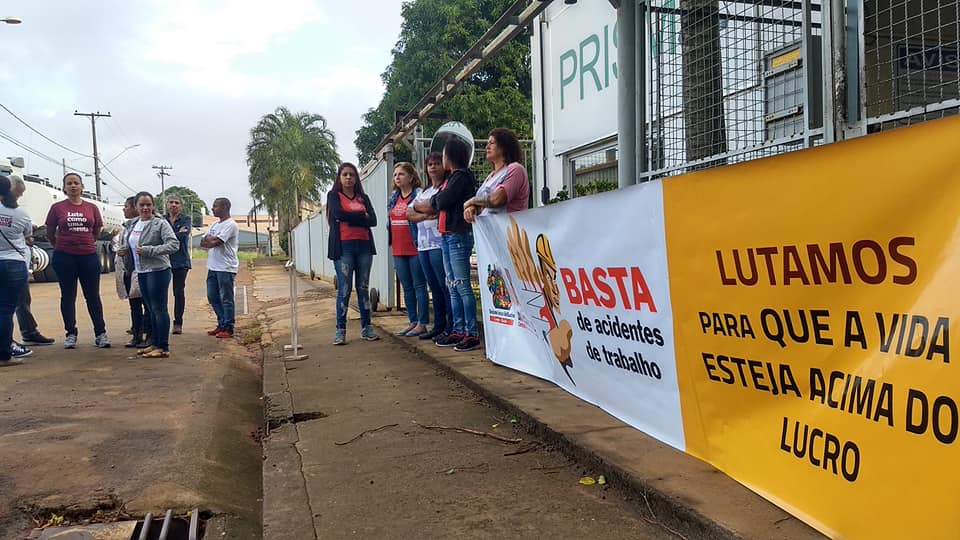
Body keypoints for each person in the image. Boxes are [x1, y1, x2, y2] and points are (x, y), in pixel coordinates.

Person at [414, 137, 480, 352]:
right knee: (452, 285)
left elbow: (441, 201)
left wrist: (429, 203)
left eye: (443, 156)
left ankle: (471, 332)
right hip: (447, 235)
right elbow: (438, 200)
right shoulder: (452, 178)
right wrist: (432, 203)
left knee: (461, 285)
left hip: (457, 235)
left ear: (450, 157)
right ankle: (458, 329)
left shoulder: (461, 177)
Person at [44, 172, 110, 349]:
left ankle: (100, 333)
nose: (73, 186)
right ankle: (71, 334)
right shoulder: (57, 208)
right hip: (64, 257)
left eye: (76, 183)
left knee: (93, 296)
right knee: (68, 296)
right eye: (69, 183)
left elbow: (97, 230)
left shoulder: (92, 207)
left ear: (82, 187)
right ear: (64, 187)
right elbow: (49, 232)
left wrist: (86, 242)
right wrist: (60, 246)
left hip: (88, 257)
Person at [117, 192, 178, 358]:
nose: (145, 208)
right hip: (141, 271)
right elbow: (131, 244)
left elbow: (174, 245)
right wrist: (125, 250)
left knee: (159, 309)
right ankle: (155, 343)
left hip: (158, 271)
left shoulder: (160, 223)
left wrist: (149, 250)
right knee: (151, 310)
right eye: (142, 205)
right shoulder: (133, 224)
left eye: (148, 204)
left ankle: (163, 347)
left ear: (153, 206)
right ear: (136, 207)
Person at [326, 162, 380, 345]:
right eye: (345, 174)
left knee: (363, 287)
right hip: (343, 248)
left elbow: (373, 221)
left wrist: (350, 218)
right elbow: (338, 214)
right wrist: (361, 217)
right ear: (339, 178)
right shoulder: (333, 196)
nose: (348, 178)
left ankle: (367, 328)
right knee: (345, 288)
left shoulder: (363, 198)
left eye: (352, 174)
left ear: (356, 178)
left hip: (364, 247)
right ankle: (340, 330)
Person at [406, 152, 452, 343]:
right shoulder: (424, 192)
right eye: (430, 164)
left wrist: (422, 208)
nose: (433, 167)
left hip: (439, 243)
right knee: (433, 286)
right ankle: (438, 325)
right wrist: (425, 213)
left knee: (444, 285)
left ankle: (450, 326)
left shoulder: (445, 188)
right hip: (423, 245)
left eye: (437, 163)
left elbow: (437, 207)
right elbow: (409, 213)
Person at [9, 175, 54, 347]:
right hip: (12, 263)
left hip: (18, 263)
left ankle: (28, 333)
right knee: (10, 304)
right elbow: (28, 237)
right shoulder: (17, 212)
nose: (18, 197)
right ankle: (8, 342)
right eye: (17, 194)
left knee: (21, 300)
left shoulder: (17, 212)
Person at [388, 162, 429, 337]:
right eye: (395, 175)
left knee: (419, 285)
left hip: (415, 246)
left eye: (401, 174)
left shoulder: (418, 195)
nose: (397, 177)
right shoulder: (393, 197)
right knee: (406, 286)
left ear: (411, 177)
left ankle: (422, 323)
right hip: (398, 248)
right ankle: (412, 321)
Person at [464, 128, 530, 221]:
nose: (487, 147)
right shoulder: (490, 176)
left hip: (509, 227)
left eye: (492, 143)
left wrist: (472, 201)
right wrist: (472, 208)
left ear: (504, 146)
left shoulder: (516, 169)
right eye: (487, 143)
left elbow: (497, 200)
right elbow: (484, 205)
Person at [0, 175, 32, 366]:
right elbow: (28, 237)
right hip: (14, 263)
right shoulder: (21, 214)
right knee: (5, 310)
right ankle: (4, 355)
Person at [114, 196, 150, 348]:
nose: (124, 209)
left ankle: (149, 335)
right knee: (134, 304)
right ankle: (136, 335)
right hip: (130, 269)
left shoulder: (149, 225)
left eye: (126, 206)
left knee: (148, 304)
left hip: (145, 270)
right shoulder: (127, 227)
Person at [201, 197, 239, 338]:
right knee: (212, 296)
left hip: (226, 267)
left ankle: (228, 327)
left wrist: (211, 240)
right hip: (213, 266)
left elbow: (216, 242)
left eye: (215, 206)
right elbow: (202, 242)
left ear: (224, 208)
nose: (212, 209)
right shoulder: (214, 225)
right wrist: (210, 240)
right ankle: (221, 322)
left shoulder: (231, 225)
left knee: (226, 298)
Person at [165, 194, 192, 334]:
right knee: (159, 292)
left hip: (180, 261)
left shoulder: (186, 219)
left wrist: (167, 236)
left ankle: (178, 323)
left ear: (181, 206)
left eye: (177, 202)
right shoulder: (161, 220)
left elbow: (183, 236)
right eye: (171, 202)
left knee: (178, 292)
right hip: (163, 260)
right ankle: (157, 323)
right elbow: (158, 237)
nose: (173, 205)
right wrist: (176, 234)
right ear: (166, 204)